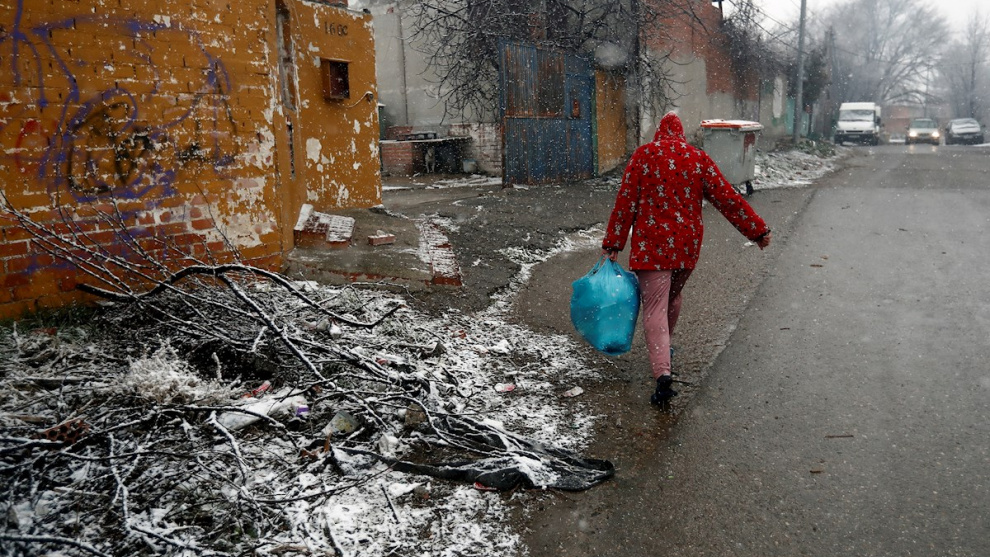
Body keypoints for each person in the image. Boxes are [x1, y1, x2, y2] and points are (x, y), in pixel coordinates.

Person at [601, 111, 772, 409]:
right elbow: (727, 198)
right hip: (685, 248)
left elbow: (625, 201)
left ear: (659, 133)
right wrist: (757, 231)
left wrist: (613, 243)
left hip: (652, 247)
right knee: (672, 296)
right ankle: (664, 350)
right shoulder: (697, 159)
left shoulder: (643, 156)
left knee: (654, 306)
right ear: (681, 134)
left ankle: (662, 374)